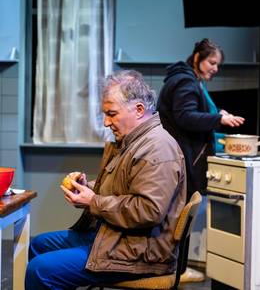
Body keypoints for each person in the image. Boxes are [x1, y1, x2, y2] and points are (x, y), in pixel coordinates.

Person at [25, 70, 187, 289]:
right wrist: (87, 187)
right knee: (38, 245)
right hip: (119, 238)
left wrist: (93, 202)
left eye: (111, 114)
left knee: (40, 270)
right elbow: (123, 188)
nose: (105, 122)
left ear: (139, 110)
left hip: (141, 252)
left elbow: (148, 210)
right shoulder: (135, 141)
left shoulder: (157, 149)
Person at [156, 38, 245, 282]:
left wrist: (218, 115)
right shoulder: (185, 80)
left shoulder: (188, 79)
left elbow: (193, 112)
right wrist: (219, 120)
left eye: (218, 64)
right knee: (178, 218)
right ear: (197, 58)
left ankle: (175, 269)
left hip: (183, 157)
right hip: (183, 158)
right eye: (212, 62)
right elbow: (185, 116)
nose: (215, 68)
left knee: (179, 216)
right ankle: (173, 271)